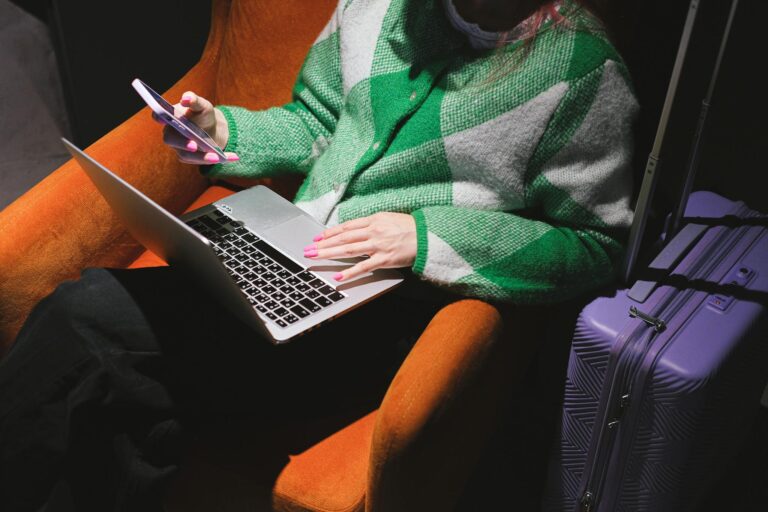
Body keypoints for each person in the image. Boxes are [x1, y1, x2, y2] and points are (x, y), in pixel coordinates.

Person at [0, 0, 638, 510]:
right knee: (124, 406)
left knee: (84, 315)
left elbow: (592, 244)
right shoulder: (378, 7)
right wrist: (228, 133)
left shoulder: (581, 71)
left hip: (390, 309)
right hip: (292, 248)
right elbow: (316, 121)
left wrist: (426, 237)